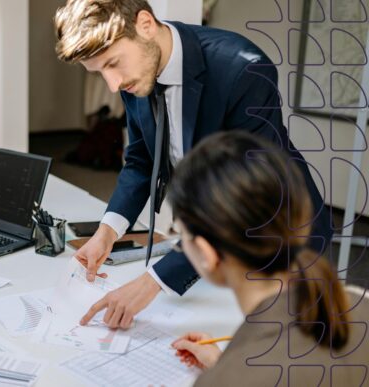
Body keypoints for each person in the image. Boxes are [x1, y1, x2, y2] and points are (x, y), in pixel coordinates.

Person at [54, 0, 333, 329]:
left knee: (271, 358)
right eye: (100, 71)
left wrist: (153, 281)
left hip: (277, 239)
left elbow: (245, 198)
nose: (113, 85)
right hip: (215, 246)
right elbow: (141, 160)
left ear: (145, 24)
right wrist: (107, 232)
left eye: (113, 64)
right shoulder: (134, 74)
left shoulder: (243, 68)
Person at [164, 132, 369, 385]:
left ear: (207, 254)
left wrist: (227, 372)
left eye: (179, 233)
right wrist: (226, 363)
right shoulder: (358, 303)